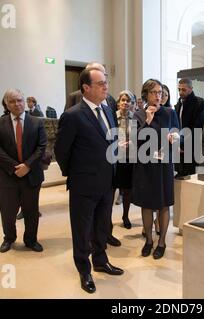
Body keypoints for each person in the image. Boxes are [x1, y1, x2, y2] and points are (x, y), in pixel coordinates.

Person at [55, 68, 124, 294]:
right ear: (86, 87)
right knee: (82, 230)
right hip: (83, 184)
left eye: (106, 82)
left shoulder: (108, 110)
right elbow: (61, 151)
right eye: (101, 83)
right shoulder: (73, 115)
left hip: (107, 182)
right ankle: (84, 270)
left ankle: (101, 261)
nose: (106, 86)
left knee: (101, 226)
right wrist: (77, 174)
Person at [0, 89, 47, 253]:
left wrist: (27, 165)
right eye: (13, 101)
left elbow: (42, 147)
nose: (17, 104)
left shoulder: (37, 122)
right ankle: (9, 238)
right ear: (7, 104)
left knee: (31, 211)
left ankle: (31, 240)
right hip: (8, 176)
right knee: (7, 212)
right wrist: (15, 167)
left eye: (20, 100)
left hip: (31, 175)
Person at [132, 79, 180, 260]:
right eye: (154, 92)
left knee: (164, 203)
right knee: (147, 203)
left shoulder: (169, 112)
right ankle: (149, 241)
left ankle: (161, 242)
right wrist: (148, 121)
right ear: (146, 95)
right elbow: (136, 140)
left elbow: (179, 135)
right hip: (145, 164)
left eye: (160, 92)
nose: (158, 96)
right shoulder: (138, 114)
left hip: (163, 164)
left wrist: (174, 138)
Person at [174, 78, 204, 179]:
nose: (180, 92)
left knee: (190, 176)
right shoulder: (178, 104)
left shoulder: (200, 103)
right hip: (179, 144)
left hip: (191, 145)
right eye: (179, 89)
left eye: (183, 90)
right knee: (179, 174)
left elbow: (197, 127)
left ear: (191, 89)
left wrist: (183, 143)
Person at [114, 90, 136, 229]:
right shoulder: (111, 116)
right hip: (114, 158)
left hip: (129, 158)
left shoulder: (135, 118)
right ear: (118, 103)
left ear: (132, 104)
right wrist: (116, 144)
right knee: (111, 189)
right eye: (123, 100)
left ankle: (126, 216)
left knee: (127, 190)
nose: (125, 103)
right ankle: (106, 218)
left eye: (128, 101)